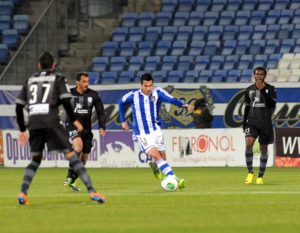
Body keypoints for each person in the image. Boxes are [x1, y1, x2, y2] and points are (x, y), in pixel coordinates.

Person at [15, 52, 106, 205]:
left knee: (35, 160)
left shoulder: (29, 80)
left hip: (34, 123)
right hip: (51, 121)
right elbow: (66, 102)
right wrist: (75, 120)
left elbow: (18, 106)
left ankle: (22, 193)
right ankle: (92, 191)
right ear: (53, 66)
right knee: (71, 154)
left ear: (39, 65)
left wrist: (22, 129)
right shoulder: (58, 79)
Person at [118, 73, 193, 188]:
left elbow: (171, 99)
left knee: (163, 158)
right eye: (146, 86)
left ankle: (158, 170)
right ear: (141, 85)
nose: (148, 89)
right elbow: (121, 102)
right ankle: (174, 179)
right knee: (156, 155)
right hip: (142, 133)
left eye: (150, 86)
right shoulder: (133, 95)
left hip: (156, 131)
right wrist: (123, 121)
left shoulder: (157, 92)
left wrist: (183, 105)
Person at [64, 72, 106, 191]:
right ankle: (68, 177)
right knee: (78, 146)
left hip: (87, 128)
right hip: (71, 125)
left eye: (87, 81)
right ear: (77, 82)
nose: (86, 84)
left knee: (84, 158)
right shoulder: (69, 93)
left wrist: (102, 127)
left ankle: (72, 179)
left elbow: (100, 112)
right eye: (84, 81)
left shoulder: (93, 95)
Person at [243, 67, 277, 185]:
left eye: (261, 74)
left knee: (263, 148)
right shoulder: (248, 90)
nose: (258, 76)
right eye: (256, 74)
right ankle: (250, 172)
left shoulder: (271, 89)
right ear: (254, 75)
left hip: (265, 123)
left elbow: (272, 104)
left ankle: (260, 176)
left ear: (264, 76)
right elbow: (247, 107)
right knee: (249, 143)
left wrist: (262, 91)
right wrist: (244, 123)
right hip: (251, 122)